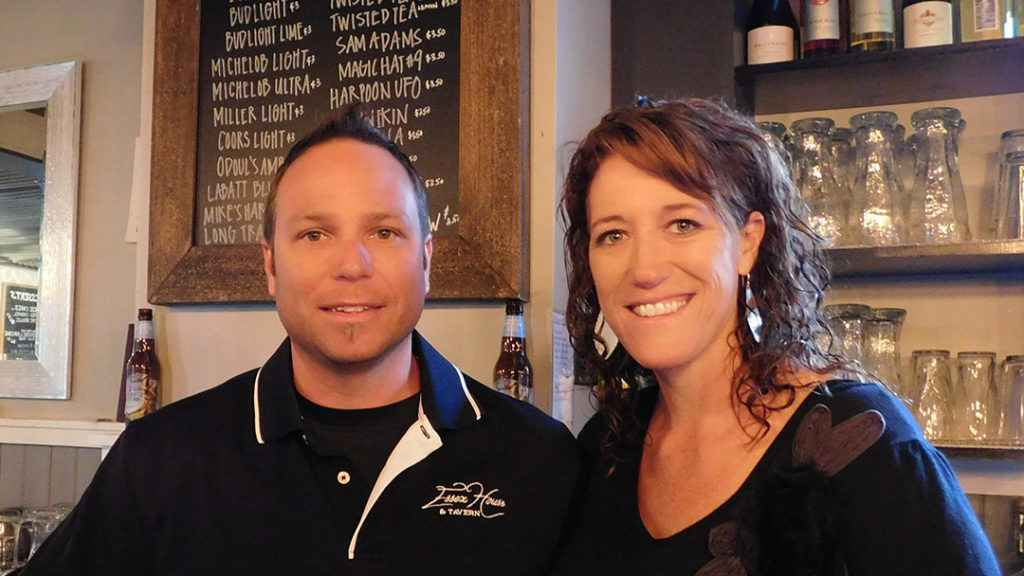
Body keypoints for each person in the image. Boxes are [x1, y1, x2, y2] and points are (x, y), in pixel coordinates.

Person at [19, 104, 582, 575]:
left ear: (426, 260)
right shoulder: (159, 460)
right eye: (314, 234)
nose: (351, 265)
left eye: (384, 232)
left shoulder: (539, 458)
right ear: (270, 264)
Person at [550, 97, 1000, 575]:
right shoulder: (607, 448)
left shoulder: (860, 443)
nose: (644, 270)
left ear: (748, 243)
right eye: (613, 235)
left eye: (683, 224)